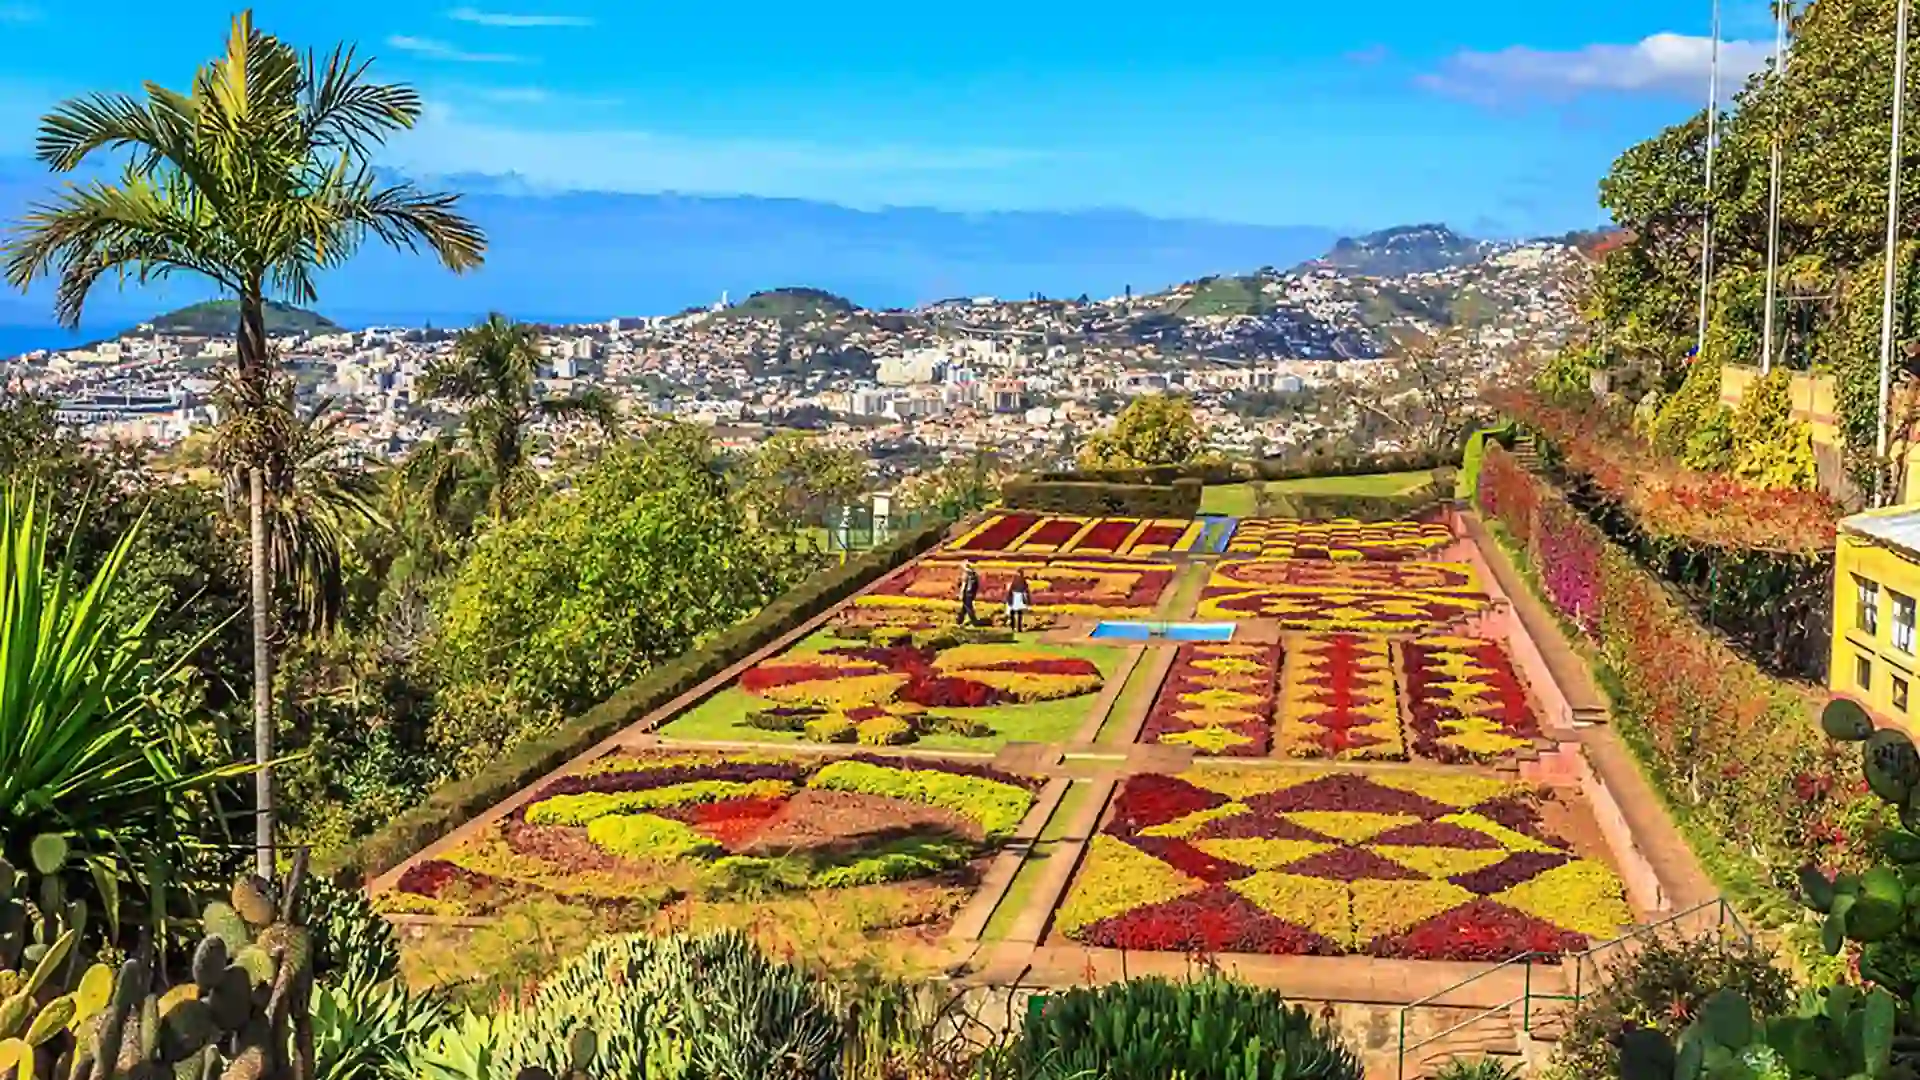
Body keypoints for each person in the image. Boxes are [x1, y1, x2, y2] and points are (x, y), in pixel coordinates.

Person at [1006, 569, 1032, 634]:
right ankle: (1013, 626)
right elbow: (1011, 590)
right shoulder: (1016, 581)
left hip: (1019, 597)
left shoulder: (1022, 581)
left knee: (1019, 613)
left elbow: (1026, 590)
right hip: (1015, 596)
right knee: (1014, 612)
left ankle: (1018, 627)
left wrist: (1028, 600)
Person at [958, 560, 980, 626]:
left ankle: (974, 621)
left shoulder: (966, 574)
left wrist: (961, 594)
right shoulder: (974, 574)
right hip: (971, 593)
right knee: (964, 608)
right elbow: (977, 585)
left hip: (967, 593)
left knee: (968, 607)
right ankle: (959, 620)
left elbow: (964, 585)